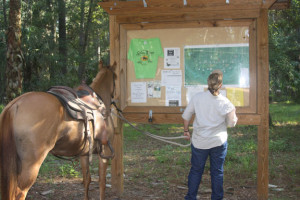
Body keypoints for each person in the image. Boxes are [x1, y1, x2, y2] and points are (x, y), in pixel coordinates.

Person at [182, 70, 238, 200]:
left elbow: (186, 116)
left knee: (196, 171)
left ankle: (191, 197)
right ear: (220, 85)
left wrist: (186, 131)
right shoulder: (226, 102)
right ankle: (217, 198)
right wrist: (232, 113)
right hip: (218, 142)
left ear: (208, 83)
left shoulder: (197, 98)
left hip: (200, 142)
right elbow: (231, 124)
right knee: (217, 172)